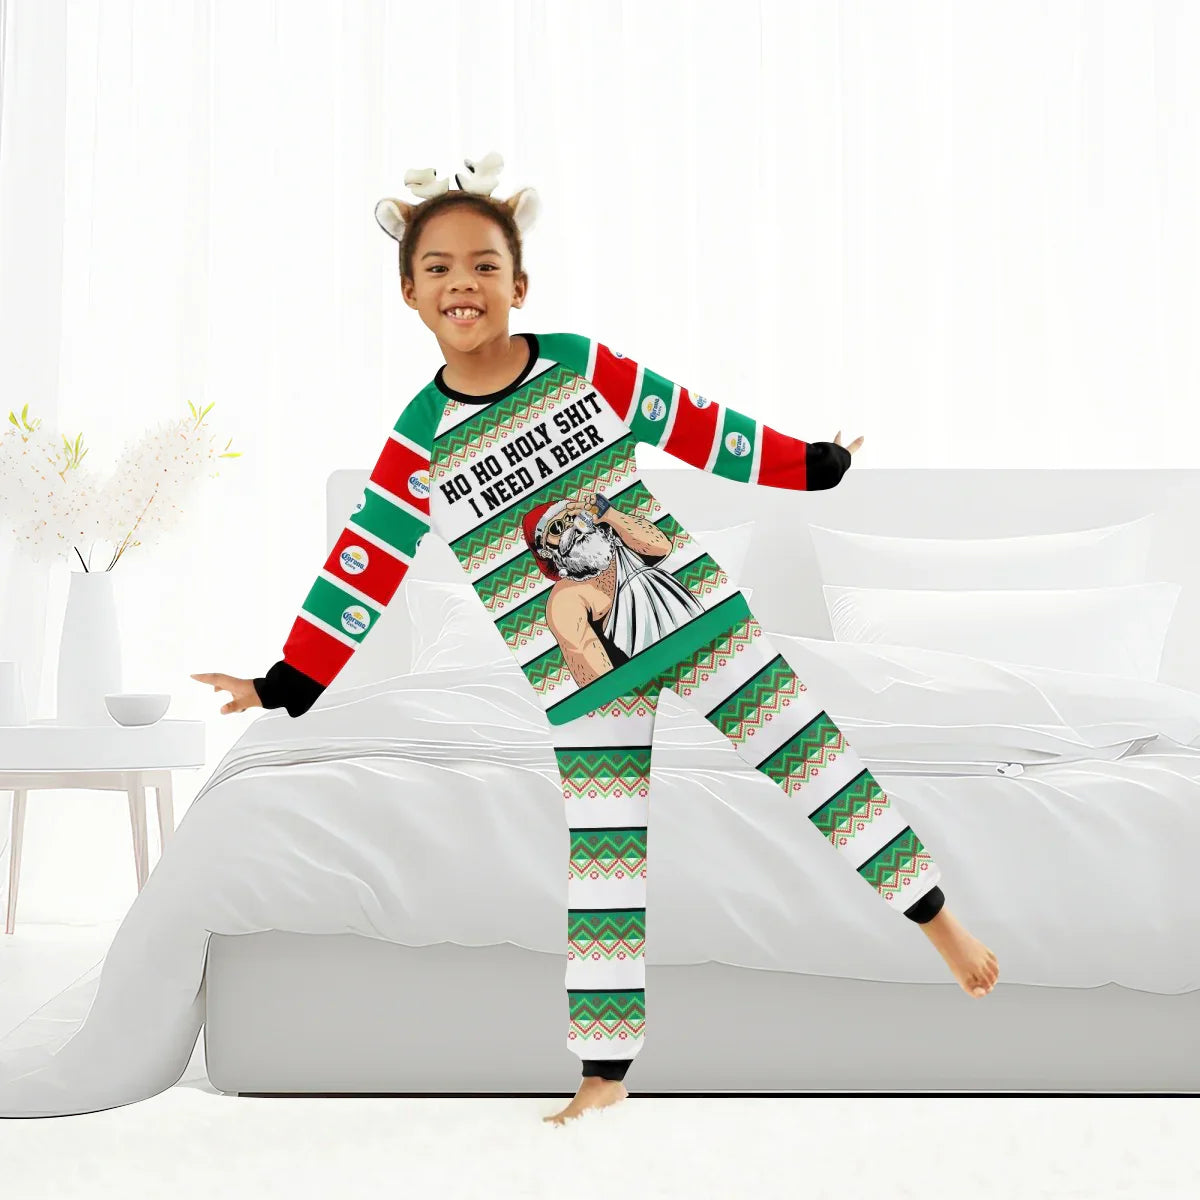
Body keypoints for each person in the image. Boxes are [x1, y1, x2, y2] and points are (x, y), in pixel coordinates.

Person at [192, 151, 998, 1127]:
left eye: (486, 265)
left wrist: (810, 466)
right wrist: (288, 680)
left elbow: (694, 423)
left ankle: (939, 923)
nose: (464, 283)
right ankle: (604, 1070)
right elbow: (367, 561)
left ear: (519, 284)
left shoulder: (579, 365)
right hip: (582, 672)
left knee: (817, 764)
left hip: (689, 613)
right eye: (439, 267)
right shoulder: (418, 440)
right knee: (604, 860)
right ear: (408, 292)